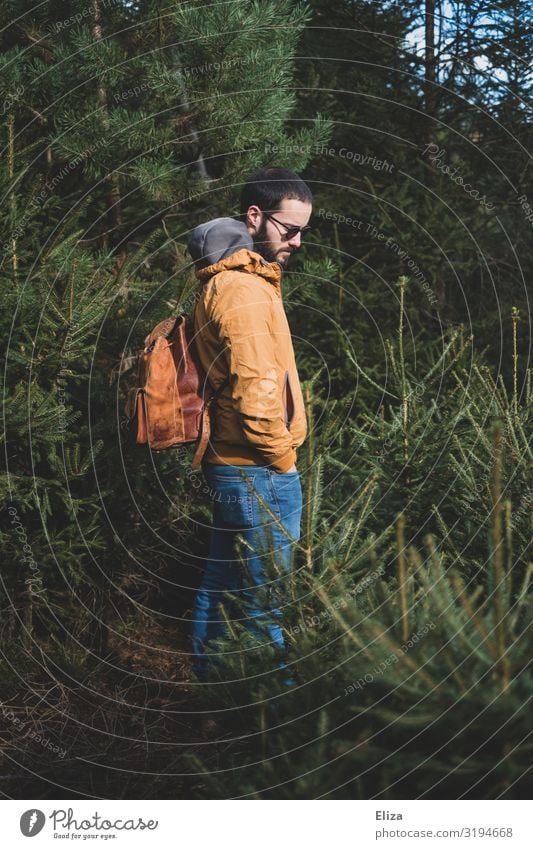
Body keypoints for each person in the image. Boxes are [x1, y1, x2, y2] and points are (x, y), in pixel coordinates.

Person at [188, 167, 313, 684]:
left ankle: (209, 692)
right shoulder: (243, 289)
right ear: (255, 217)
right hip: (258, 468)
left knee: (221, 582)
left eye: (305, 230)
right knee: (266, 601)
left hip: (230, 463)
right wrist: (282, 458)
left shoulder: (230, 282)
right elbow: (256, 388)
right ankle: (272, 726)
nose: (298, 241)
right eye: (290, 229)